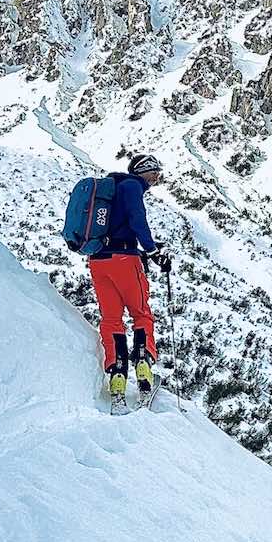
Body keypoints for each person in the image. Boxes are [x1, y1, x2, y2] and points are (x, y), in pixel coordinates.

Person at [88, 153, 171, 403]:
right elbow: (137, 220)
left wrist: (147, 245)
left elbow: (120, 224)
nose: (157, 177)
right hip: (125, 260)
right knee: (141, 314)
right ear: (144, 170)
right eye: (155, 171)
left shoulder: (114, 189)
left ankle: (117, 375)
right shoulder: (133, 186)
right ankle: (143, 368)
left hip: (98, 261)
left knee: (112, 319)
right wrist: (153, 251)